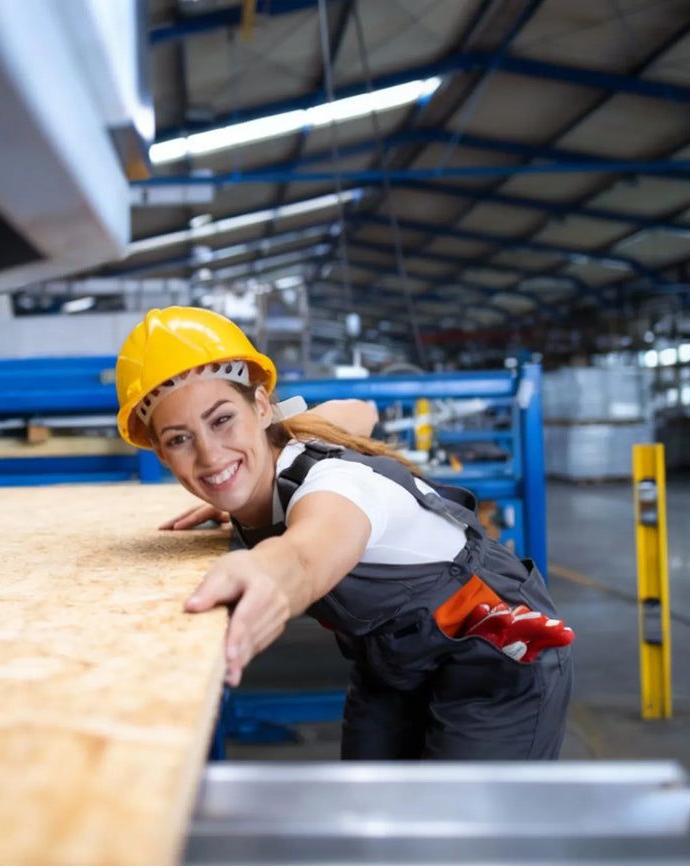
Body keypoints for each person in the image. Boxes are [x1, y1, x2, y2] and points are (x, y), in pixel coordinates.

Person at [115, 306, 574, 760]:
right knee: (366, 810)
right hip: (395, 661)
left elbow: (304, 555)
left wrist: (263, 570)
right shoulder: (287, 443)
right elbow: (362, 411)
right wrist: (240, 491)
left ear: (259, 405)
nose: (211, 456)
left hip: (500, 651)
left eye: (222, 420)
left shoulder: (335, 488)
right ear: (159, 451)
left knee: (461, 828)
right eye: (179, 438)